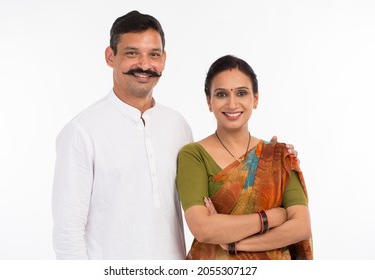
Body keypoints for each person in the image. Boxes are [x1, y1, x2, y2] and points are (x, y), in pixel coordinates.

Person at [52, 11, 299, 260]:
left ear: (164, 59)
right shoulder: (82, 131)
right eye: (132, 53)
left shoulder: (177, 125)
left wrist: (267, 163)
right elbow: (67, 233)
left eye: (154, 54)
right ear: (110, 56)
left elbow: (215, 193)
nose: (145, 64)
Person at [176, 55, 312, 260]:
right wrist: (271, 217)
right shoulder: (193, 155)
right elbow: (204, 229)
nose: (232, 103)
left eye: (241, 93)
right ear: (209, 101)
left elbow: (300, 226)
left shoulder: (278, 156)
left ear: (255, 99)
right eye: (221, 94)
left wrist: (234, 244)